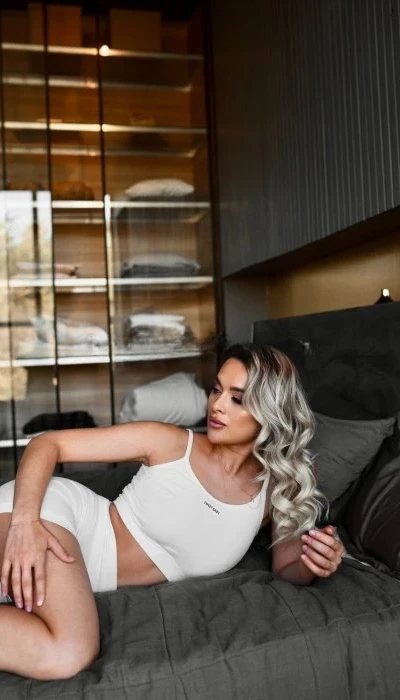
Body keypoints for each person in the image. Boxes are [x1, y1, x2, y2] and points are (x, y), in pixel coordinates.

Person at [0, 343, 344, 680]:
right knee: (70, 651)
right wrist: (25, 523)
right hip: (54, 515)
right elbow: (47, 443)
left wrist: (316, 562)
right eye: (216, 390)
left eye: (237, 399)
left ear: (271, 410)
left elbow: (288, 570)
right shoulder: (169, 443)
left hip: (75, 566)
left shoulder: (275, 489)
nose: (217, 405)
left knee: (63, 649)